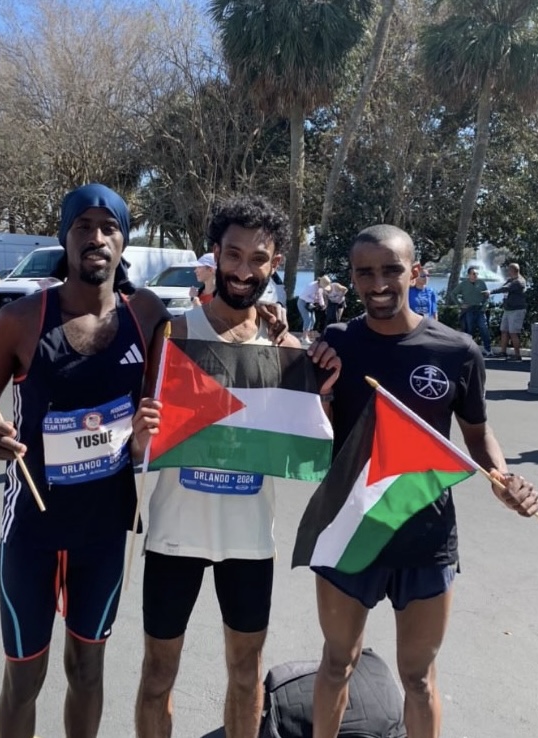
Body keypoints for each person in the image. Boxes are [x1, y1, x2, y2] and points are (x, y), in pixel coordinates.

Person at [306, 224, 537, 738]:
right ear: (354, 278)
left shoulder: (457, 351)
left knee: (418, 679)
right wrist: (316, 388)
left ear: (415, 273)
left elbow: (476, 435)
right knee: (337, 662)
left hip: (426, 535)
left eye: (391, 269)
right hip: (349, 529)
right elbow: (311, 427)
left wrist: (501, 478)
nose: (379, 283)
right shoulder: (336, 343)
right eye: (366, 272)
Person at [0, 183, 169, 738]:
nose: (96, 238)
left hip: (104, 532)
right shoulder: (21, 320)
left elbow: (189, 378)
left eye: (108, 227)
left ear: (124, 241)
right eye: (83, 226)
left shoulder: (147, 315)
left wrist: (276, 327)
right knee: (24, 679)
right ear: (65, 237)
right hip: (30, 529)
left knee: (87, 669)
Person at [132, 195, 341, 738]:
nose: (244, 270)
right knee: (157, 676)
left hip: (250, 540)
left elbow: (316, 440)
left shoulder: (284, 346)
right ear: (216, 254)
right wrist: (138, 435)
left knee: (246, 677)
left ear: (274, 265)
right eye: (234, 255)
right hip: (174, 535)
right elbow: (136, 439)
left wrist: (321, 379)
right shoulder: (172, 334)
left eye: (259, 259)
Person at [450, 266, 492, 356]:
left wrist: (484, 305)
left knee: (484, 328)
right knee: (469, 330)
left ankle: (488, 349)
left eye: (477, 273)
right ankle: (468, 350)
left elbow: (486, 296)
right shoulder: (463, 284)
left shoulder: (481, 283)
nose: (475, 275)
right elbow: (453, 294)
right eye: (473, 273)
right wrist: (460, 305)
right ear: (469, 275)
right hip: (469, 310)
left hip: (479, 310)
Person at [490, 262, 527, 362]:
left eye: (509, 270)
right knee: (504, 331)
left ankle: (517, 355)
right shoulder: (511, 280)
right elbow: (504, 287)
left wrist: (490, 292)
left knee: (514, 333)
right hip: (508, 309)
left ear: (513, 270)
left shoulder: (519, 281)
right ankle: (503, 352)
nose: (507, 271)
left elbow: (505, 288)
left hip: (516, 310)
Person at [297, 275, 331, 345]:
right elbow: (303, 296)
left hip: (310, 304)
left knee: (313, 320)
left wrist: (322, 304)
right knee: (308, 319)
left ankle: (304, 337)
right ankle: (305, 338)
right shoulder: (311, 286)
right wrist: (314, 300)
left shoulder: (320, 287)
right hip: (303, 302)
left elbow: (320, 296)